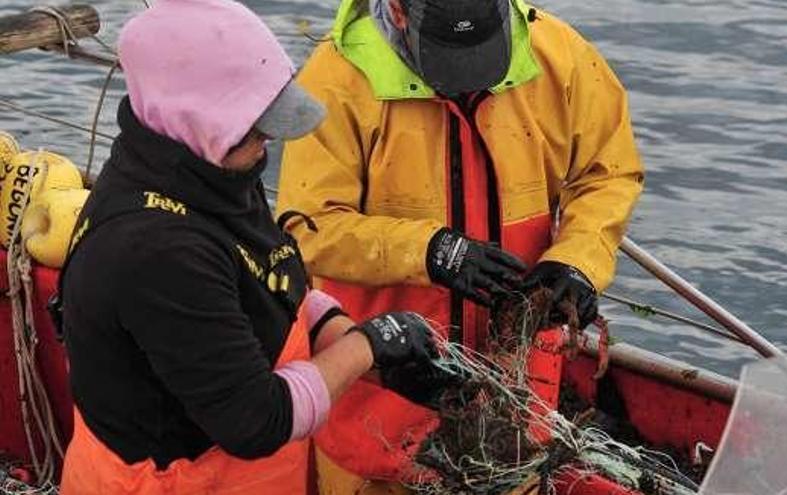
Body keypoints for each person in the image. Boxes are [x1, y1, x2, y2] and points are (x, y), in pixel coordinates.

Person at [58, 1, 446, 493]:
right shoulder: (155, 251)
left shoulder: (213, 168)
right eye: (255, 123)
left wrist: (366, 351)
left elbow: (277, 285)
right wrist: (370, 345)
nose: (269, 138)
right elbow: (257, 422)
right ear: (194, 117)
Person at [278, 0, 645, 491]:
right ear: (398, 10)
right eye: (449, 52)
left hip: (515, 422)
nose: (468, 77)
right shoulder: (337, 79)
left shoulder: (562, 56)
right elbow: (306, 227)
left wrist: (576, 263)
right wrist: (429, 251)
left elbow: (608, 174)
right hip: (379, 423)